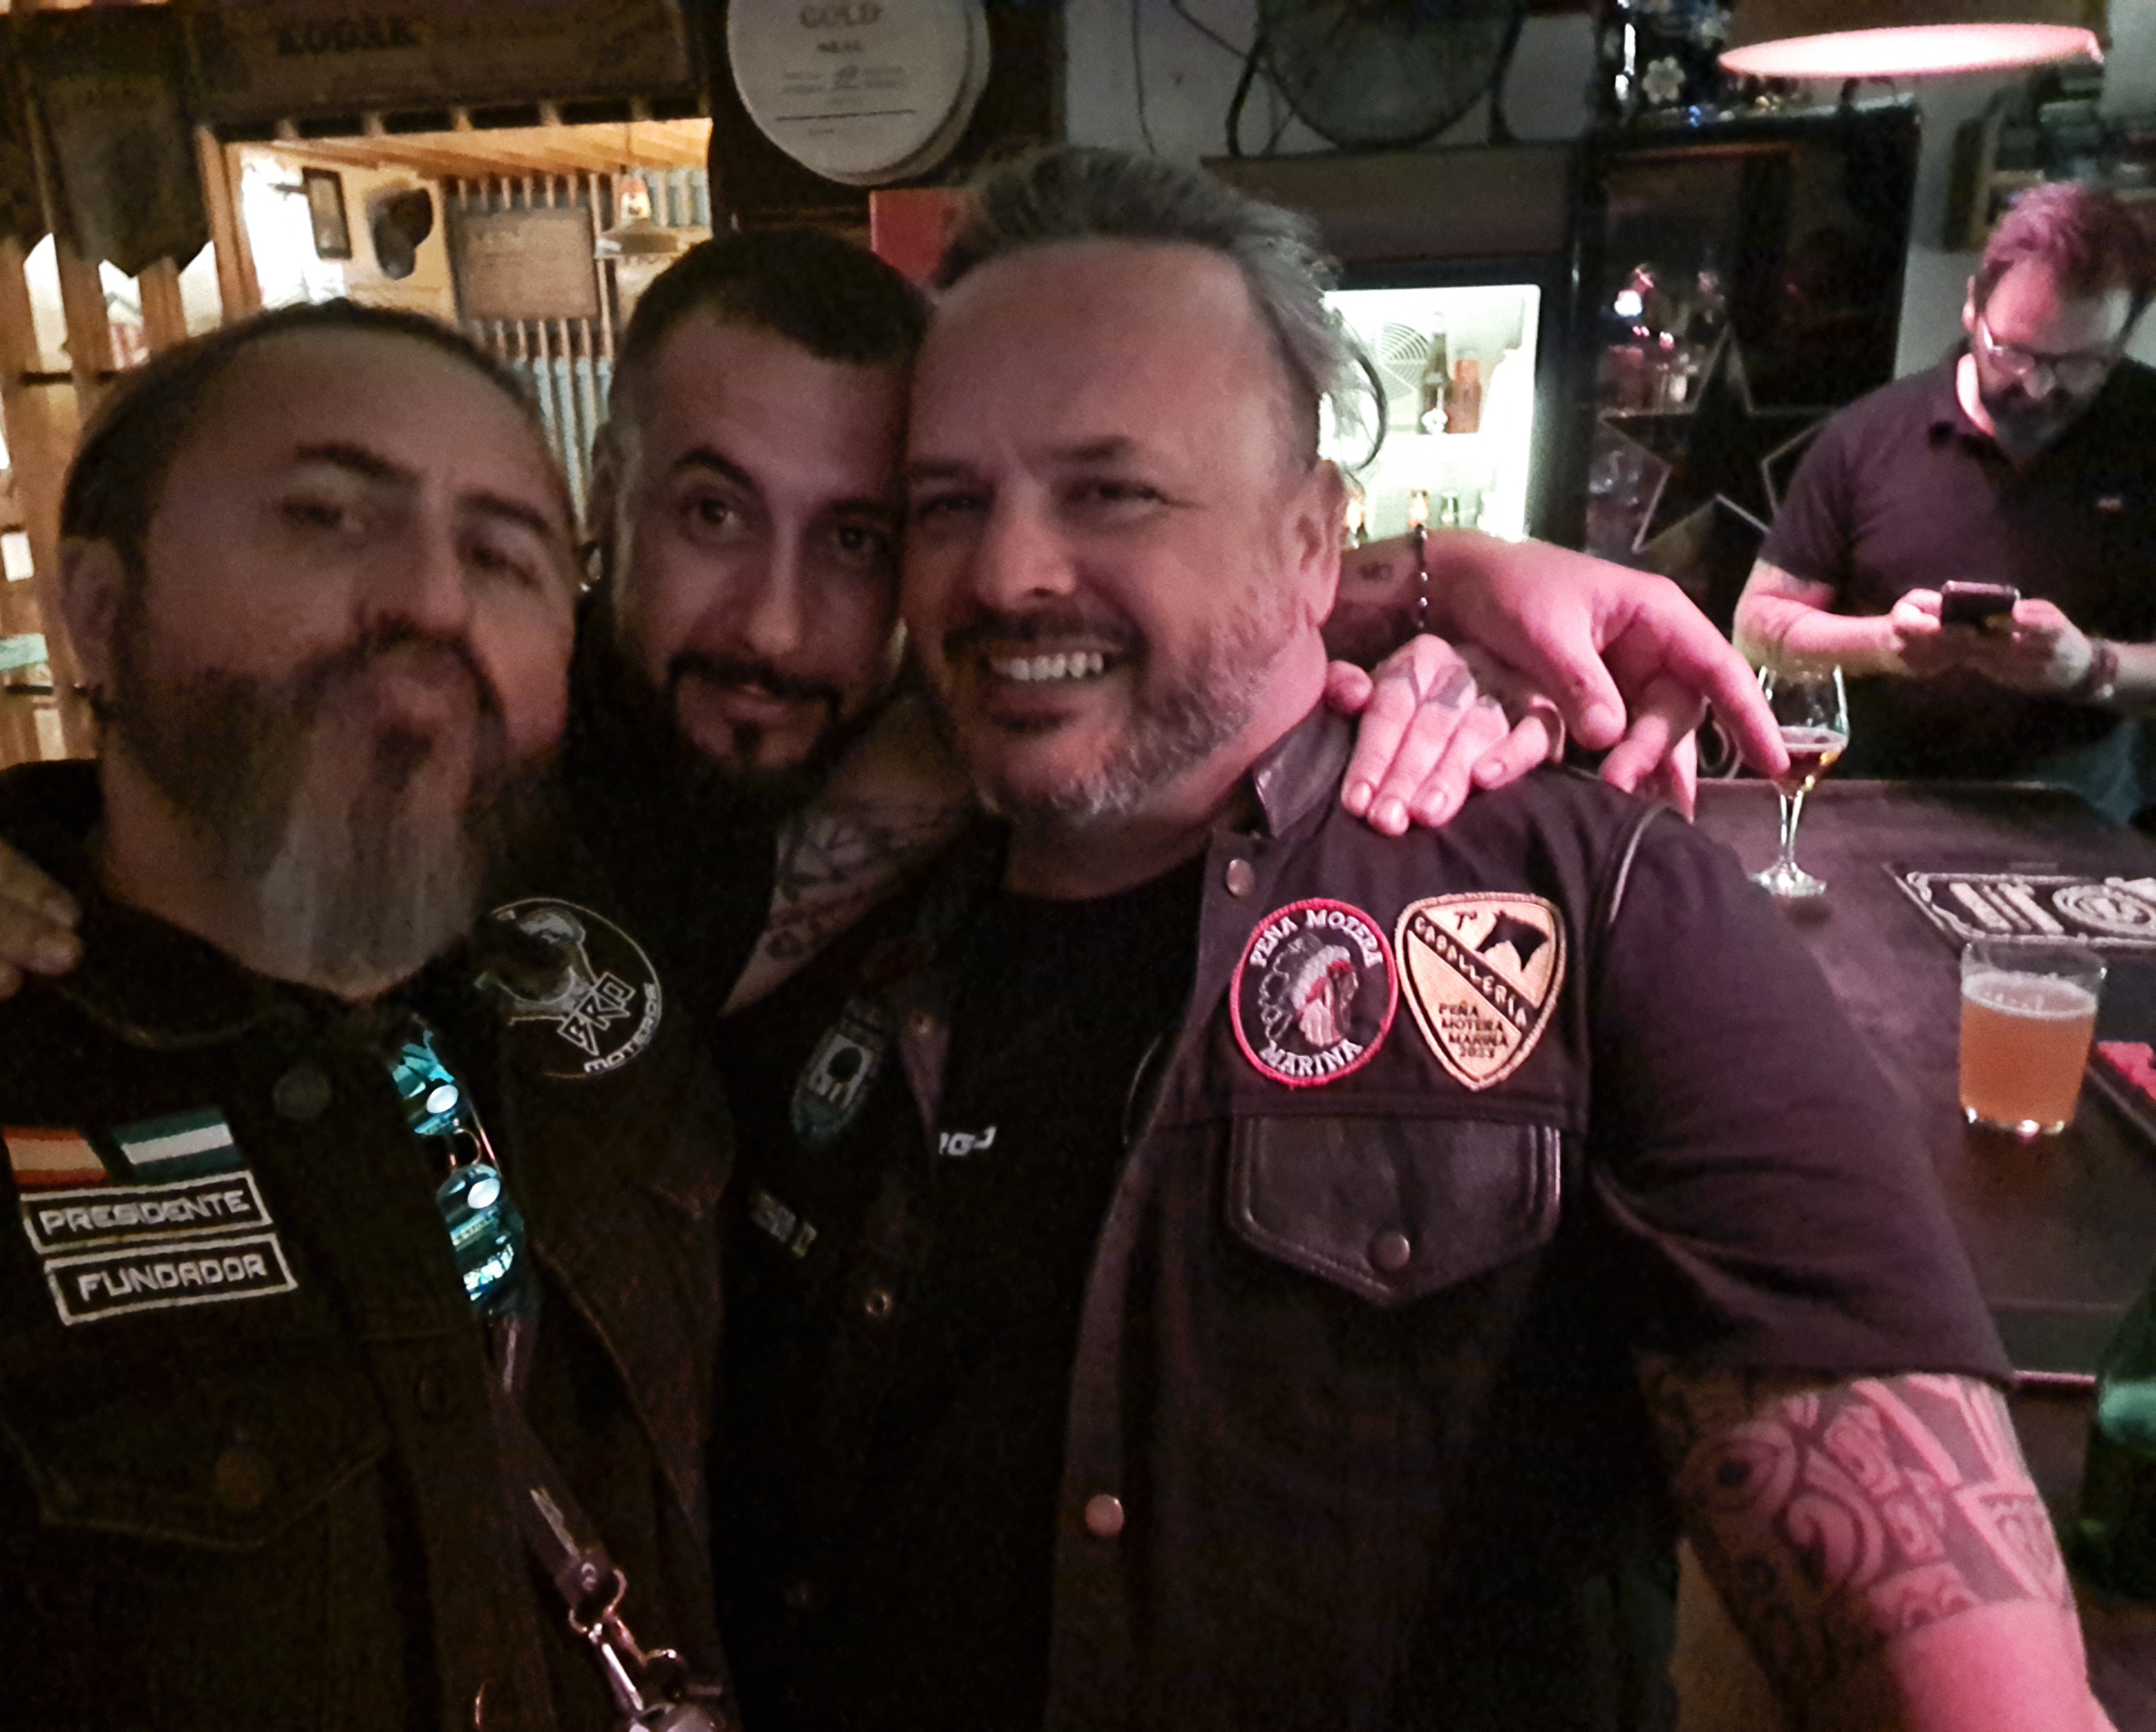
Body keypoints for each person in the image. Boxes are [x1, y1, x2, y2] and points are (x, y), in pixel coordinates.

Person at [710, 147, 2109, 1732]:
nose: (1006, 570)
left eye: (1112, 491)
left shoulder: (1603, 906)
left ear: (1315, 539)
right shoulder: (831, 916)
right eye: (947, 504)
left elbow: (1970, 1686)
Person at [0, 232, 1785, 1010]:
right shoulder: (464, 747)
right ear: (604, 503)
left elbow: (1171, 624)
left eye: (862, 537)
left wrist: (1430, 586)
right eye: (709, 515)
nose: (775, 624)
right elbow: (206, 783)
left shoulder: (968, 757)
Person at [0, 303, 736, 1728]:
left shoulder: (607, 966)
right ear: (98, 609)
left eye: (504, 555)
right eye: (325, 516)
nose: (432, 600)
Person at [1733, 182, 2156, 820]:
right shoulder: (1867, 437)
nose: (2038, 388)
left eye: (2080, 365)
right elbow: (1756, 630)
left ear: (2124, 339)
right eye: (2014, 353)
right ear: (1972, 307)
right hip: (1877, 798)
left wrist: (2091, 667)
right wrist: (1883, 643)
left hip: (2078, 809)